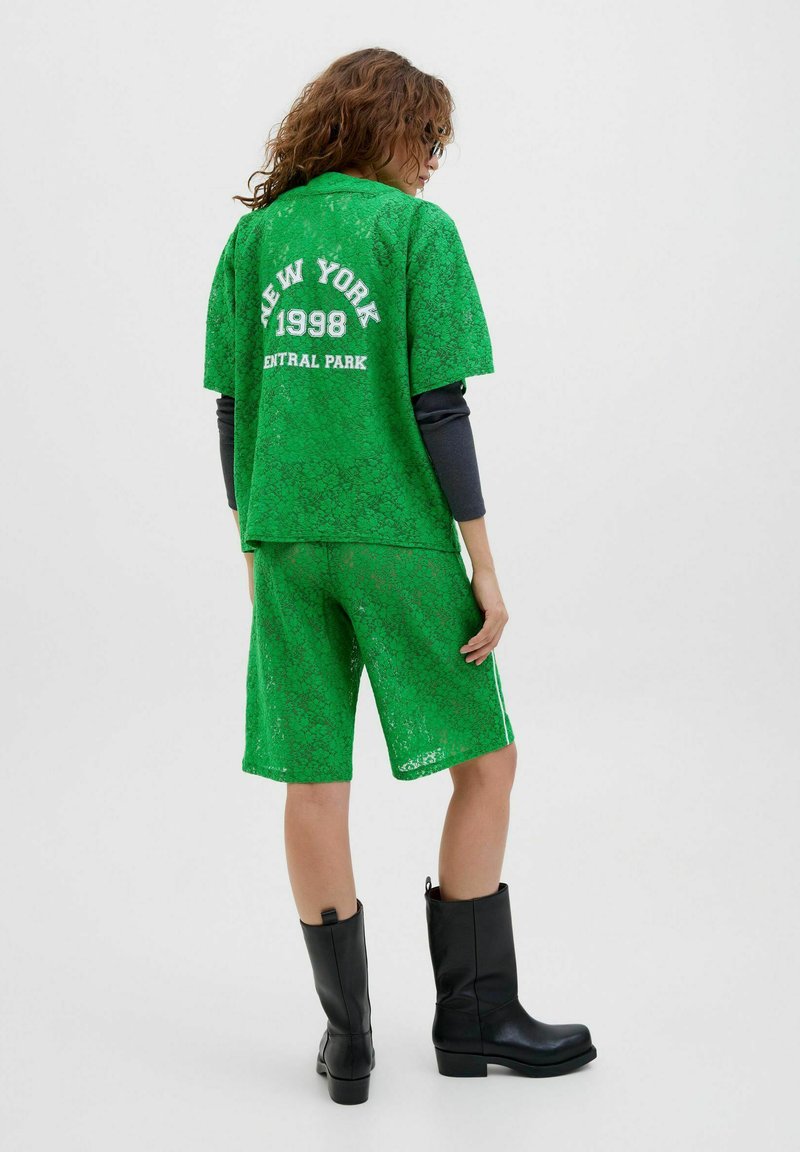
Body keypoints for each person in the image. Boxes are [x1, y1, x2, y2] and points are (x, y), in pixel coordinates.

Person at [203, 47, 597, 1105]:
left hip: (284, 541)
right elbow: (438, 406)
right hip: (396, 538)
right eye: (425, 139)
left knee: (312, 780)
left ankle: (350, 1044)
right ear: (383, 128)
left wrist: (251, 546)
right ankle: (475, 1018)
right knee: (486, 761)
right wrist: (483, 564)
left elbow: (233, 407)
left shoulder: (254, 240)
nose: (431, 162)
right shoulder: (416, 233)